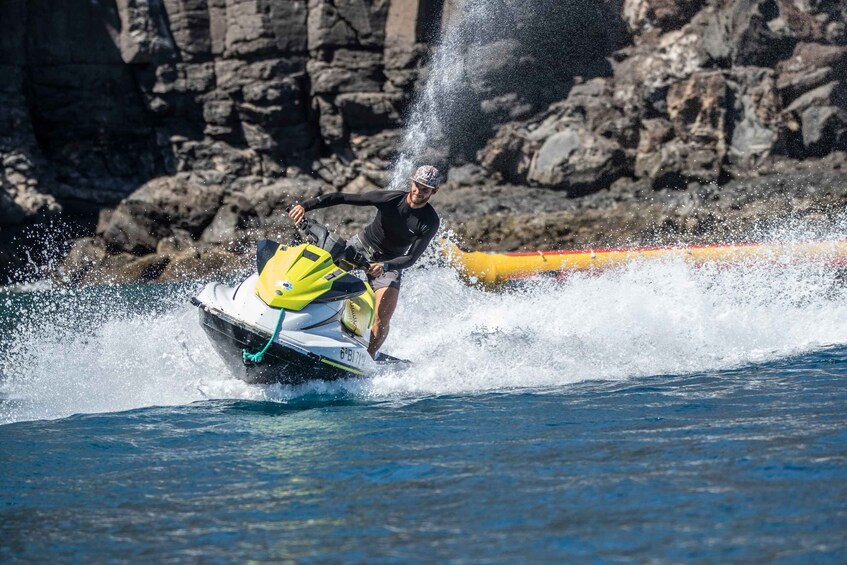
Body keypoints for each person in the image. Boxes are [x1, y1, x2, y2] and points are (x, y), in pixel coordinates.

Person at [288, 165, 442, 359]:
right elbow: (342, 197)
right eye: (417, 185)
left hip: (388, 263)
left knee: (383, 315)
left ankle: (368, 358)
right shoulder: (390, 199)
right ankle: (295, 317)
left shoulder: (430, 221)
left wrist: (385, 266)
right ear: (412, 182)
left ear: (434, 192)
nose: (418, 192)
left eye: (425, 189)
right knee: (317, 274)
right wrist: (305, 206)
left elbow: (411, 258)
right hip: (360, 247)